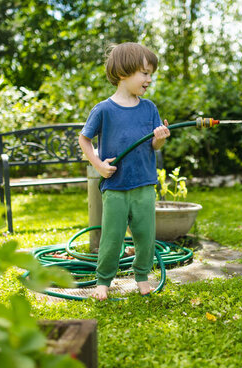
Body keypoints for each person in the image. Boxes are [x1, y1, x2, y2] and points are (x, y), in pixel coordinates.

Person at [78, 42, 170, 301]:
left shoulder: (149, 108)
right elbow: (84, 139)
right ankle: (103, 281)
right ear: (122, 73)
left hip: (144, 184)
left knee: (145, 235)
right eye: (144, 73)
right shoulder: (104, 109)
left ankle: (141, 276)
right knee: (112, 237)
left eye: (151, 73)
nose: (149, 79)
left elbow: (154, 144)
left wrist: (161, 138)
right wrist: (98, 165)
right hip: (116, 186)